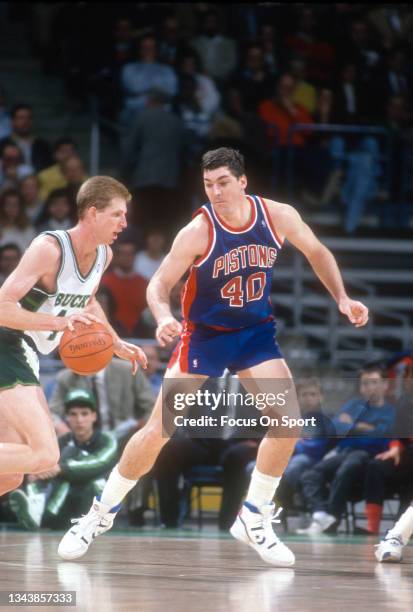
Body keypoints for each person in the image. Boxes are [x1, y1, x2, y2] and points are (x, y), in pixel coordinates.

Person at [58, 147, 368, 566]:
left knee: (288, 422)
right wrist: (164, 317)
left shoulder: (278, 215)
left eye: (223, 182)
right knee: (158, 430)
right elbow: (160, 282)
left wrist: (343, 298)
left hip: (255, 332)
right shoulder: (198, 231)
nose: (216, 191)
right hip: (205, 336)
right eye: (208, 185)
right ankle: (100, 514)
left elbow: (317, 252)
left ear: (243, 182)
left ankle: (254, 516)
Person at [0, 175, 147, 500]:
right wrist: (58, 323)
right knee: (44, 454)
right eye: (117, 214)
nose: (124, 223)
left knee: (9, 476)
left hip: (25, 353)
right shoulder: (49, 249)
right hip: (6, 344)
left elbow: (88, 301)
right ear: (93, 213)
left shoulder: (103, 255)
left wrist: (115, 342)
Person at [8, 388, 118, 530]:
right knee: (41, 473)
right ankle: (35, 506)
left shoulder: (108, 440)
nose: (79, 420)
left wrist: (60, 468)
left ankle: (40, 515)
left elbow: (98, 463)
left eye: (84, 414)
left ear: (94, 416)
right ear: (67, 418)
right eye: (73, 414)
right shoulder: (60, 442)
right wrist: (37, 474)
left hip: (99, 499)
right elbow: (47, 467)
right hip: (68, 496)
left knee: (74, 464)